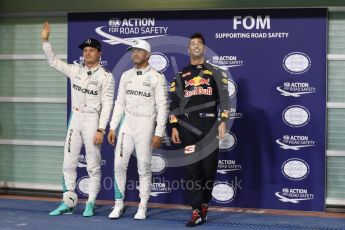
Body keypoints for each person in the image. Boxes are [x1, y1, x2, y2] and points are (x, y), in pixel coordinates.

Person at [41, 21, 114, 217]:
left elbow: (107, 105)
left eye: (91, 50)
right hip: (76, 118)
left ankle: (90, 202)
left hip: (92, 120)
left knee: (92, 163)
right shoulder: (75, 70)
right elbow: (53, 62)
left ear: (99, 53)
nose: (87, 53)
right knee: (68, 163)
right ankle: (68, 202)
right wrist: (45, 41)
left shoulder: (106, 76)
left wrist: (101, 129)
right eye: (85, 50)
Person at [169, 33, 230, 227]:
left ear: (204, 49)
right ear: (188, 50)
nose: (196, 46)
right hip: (188, 128)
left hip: (210, 127)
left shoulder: (216, 72)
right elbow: (174, 103)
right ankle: (196, 210)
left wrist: (222, 121)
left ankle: (204, 204)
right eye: (192, 44)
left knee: (209, 171)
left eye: (199, 44)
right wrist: (173, 125)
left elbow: (225, 100)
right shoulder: (180, 75)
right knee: (193, 170)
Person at [107, 39, 168, 220]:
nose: (135, 53)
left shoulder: (157, 77)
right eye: (133, 50)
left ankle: (143, 206)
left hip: (146, 124)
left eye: (139, 51)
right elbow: (119, 103)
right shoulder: (126, 75)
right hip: (127, 124)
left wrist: (159, 132)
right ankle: (118, 204)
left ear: (148, 55)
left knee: (144, 167)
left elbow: (163, 106)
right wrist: (112, 127)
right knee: (118, 164)